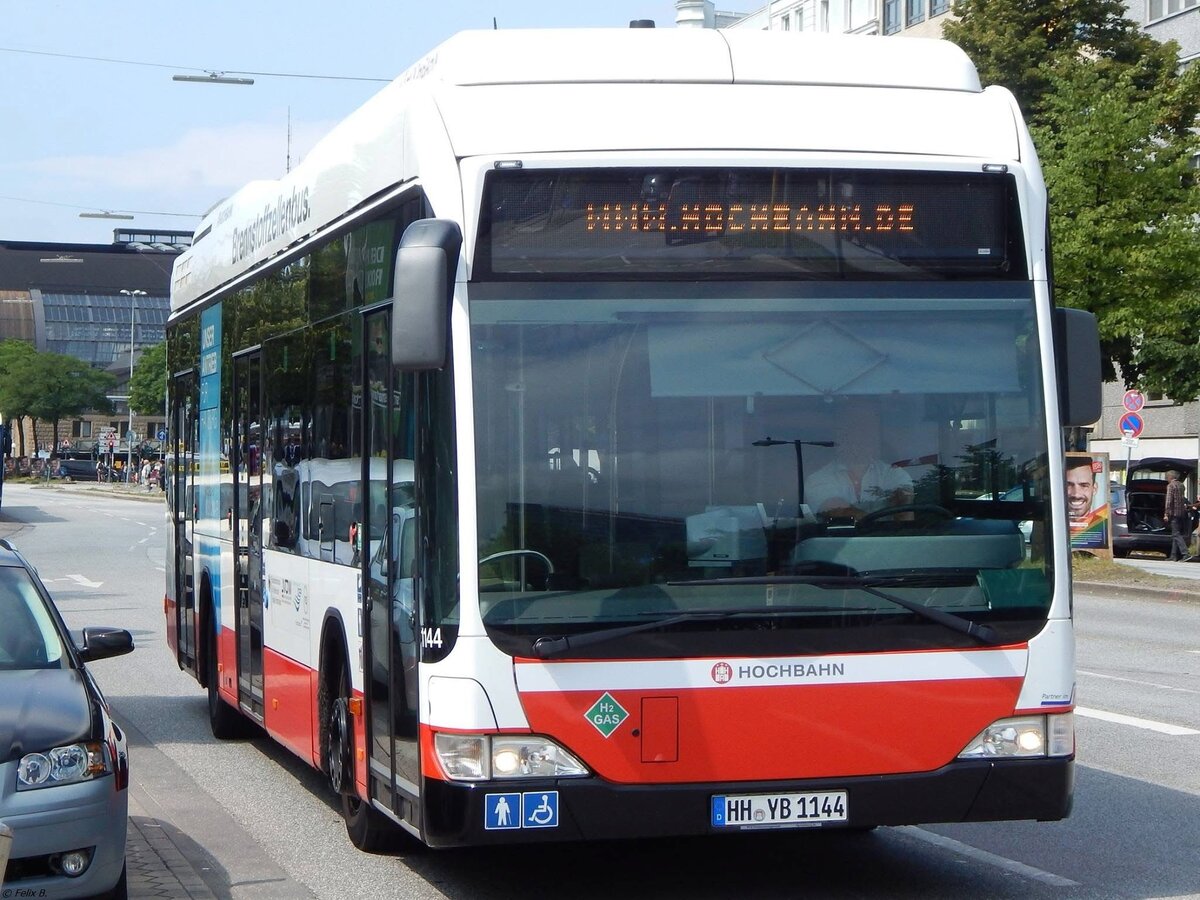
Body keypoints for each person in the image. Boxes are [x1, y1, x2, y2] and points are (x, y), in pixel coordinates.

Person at [804, 397, 912, 521]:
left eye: (868, 426)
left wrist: (902, 502)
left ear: (877, 433)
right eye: (853, 426)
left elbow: (905, 516)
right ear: (839, 433)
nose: (861, 434)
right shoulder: (817, 479)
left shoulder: (894, 475)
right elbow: (838, 510)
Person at [1163, 469, 1191, 562]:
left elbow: (1169, 501)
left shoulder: (1171, 486)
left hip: (1173, 513)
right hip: (1181, 513)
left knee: (1176, 534)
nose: (1166, 479)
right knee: (1175, 533)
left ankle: (1185, 553)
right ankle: (1173, 555)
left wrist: (1166, 514)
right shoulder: (1181, 485)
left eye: (1166, 477)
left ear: (1170, 477)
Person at [1065, 458, 1098, 523]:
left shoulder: (1103, 525)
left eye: (1084, 485)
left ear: (1094, 489)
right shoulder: (1049, 523)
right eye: (1069, 485)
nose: (1076, 494)